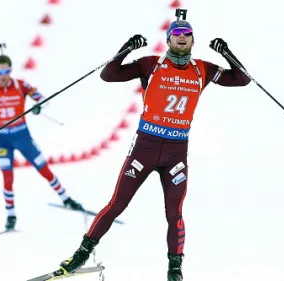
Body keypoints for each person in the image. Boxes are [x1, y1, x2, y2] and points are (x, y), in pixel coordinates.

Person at [55, 15, 251, 281]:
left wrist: (227, 53)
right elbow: (109, 75)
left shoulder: (202, 69)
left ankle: (174, 270)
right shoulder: (151, 64)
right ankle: (80, 255)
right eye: (177, 34)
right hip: (145, 148)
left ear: (193, 40)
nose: (182, 37)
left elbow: (242, 79)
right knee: (117, 204)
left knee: (174, 213)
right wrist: (126, 48)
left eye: (187, 34)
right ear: (168, 39)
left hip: (175, 153)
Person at [0, 54, 84, 231]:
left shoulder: (21, 85)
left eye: (6, 70)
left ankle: (66, 199)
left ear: (11, 70)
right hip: (3, 139)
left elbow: (44, 100)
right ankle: (11, 215)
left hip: (22, 136)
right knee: (7, 176)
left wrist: (38, 107)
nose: (3, 75)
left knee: (42, 167)